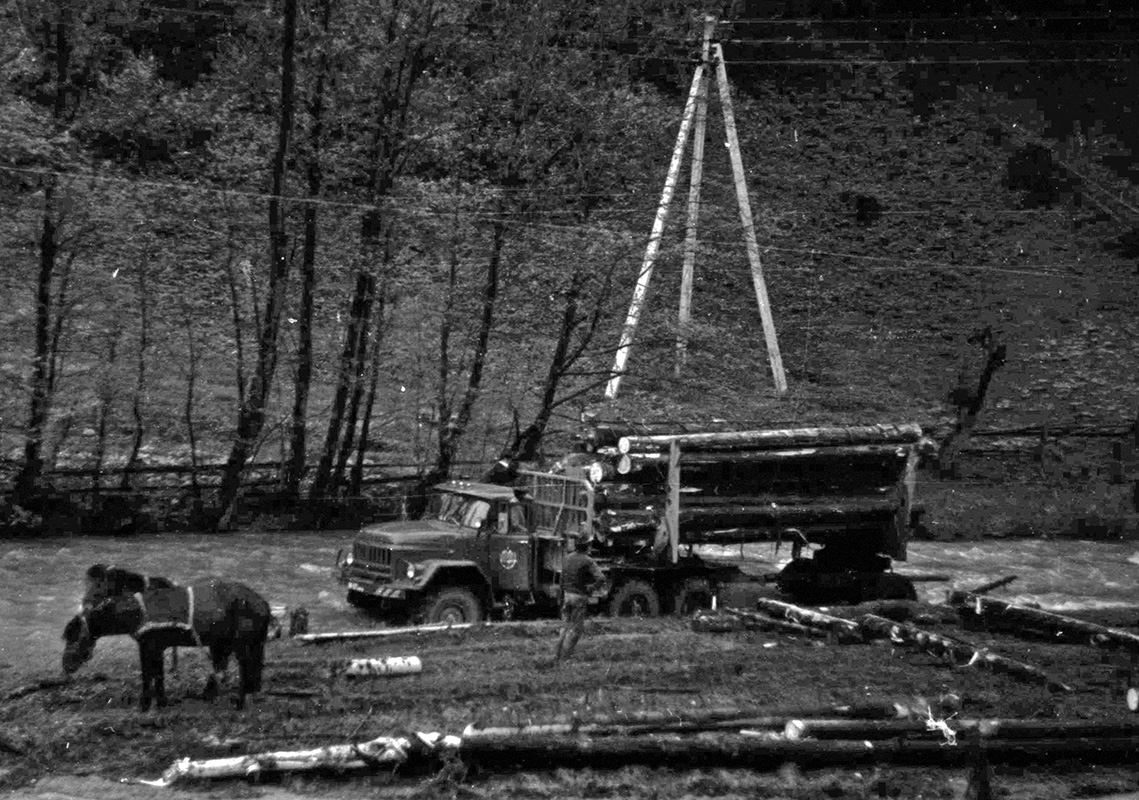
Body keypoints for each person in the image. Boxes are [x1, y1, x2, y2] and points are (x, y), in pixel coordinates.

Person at [554, 533, 607, 662]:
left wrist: (561, 597)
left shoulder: (567, 558)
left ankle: (556, 656)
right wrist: (591, 588)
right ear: (587, 546)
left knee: (564, 627)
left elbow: (561, 579)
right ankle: (565, 660)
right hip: (579, 597)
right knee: (575, 631)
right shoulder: (588, 560)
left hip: (566, 596)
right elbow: (601, 578)